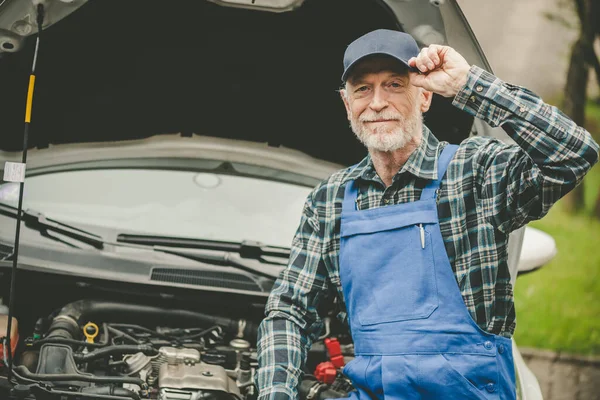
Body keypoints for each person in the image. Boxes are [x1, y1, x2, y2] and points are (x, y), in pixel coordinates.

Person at [255, 29, 599, 400]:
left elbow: (573, 152)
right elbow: (289, 310)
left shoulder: (475, 172)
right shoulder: (331, 199)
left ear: (425, 97)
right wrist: (276, 393)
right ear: (347, 104)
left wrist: (469, 84)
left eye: (394, 85)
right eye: (362, 89)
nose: (377, 103)